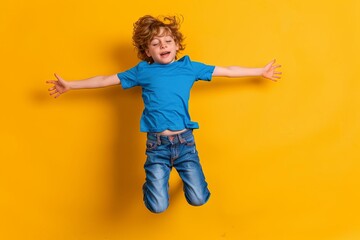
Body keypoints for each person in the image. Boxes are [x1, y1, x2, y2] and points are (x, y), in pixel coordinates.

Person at [47, 15, 282, 213]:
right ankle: (152, 185)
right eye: (156, 43)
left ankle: (188, 180)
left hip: (185, 143)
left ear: (177, 45)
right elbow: (105, 80)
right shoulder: (142, 71)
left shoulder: (189, 67)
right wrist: (71, 85)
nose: (163, 46)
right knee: (157, 207)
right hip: (157, 146)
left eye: (168, 41)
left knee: (199, 199)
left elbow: (228, 71)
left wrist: (260, 71)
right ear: (146, 50)